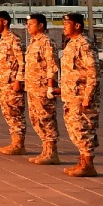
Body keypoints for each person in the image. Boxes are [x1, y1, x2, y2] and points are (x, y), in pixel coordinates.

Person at [60, 13, 100, 177]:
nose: (64, 27)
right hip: (71, 95)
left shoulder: (84, 44)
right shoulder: (71, 44)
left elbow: (93, 73)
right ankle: (82, 161)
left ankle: (88, 164)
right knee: (75, 130)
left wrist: (87, 97)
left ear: (77, 25)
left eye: (67, 23)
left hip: (82, 95)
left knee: (84, 129)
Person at [24, 13, 59, 165]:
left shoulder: (46, 42)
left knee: (46, 118)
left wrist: (51, 86)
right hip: (32, 86)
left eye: (31, 24)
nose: (28, 27)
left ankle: (52, 152)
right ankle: (45, 150)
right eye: (28, 24)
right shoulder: (33, 42)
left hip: (43, 87)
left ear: (41, 26)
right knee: (35, 119)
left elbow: (52, 65)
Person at [0, 10, 26, 155]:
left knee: (15, 112)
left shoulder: (14, 39)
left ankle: (19, 144)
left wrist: (19, 80)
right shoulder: (2, 40)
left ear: (4, 22)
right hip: (2, 83)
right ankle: (14, 141)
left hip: (12, 83)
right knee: (8, 113)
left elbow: (22, 62)